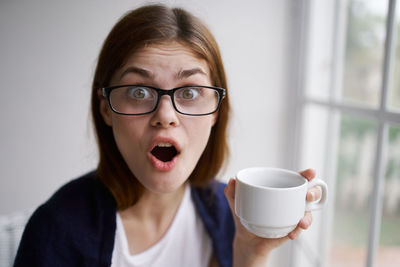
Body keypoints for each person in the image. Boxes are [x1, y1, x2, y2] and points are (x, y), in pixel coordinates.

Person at [14, 4, 319, 267]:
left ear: (215, 111)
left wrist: (250, 255)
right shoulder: (56, 229)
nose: (165, 116)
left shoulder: (234, 217)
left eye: (189, 92)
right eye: (139, 91)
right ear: (106, 108)